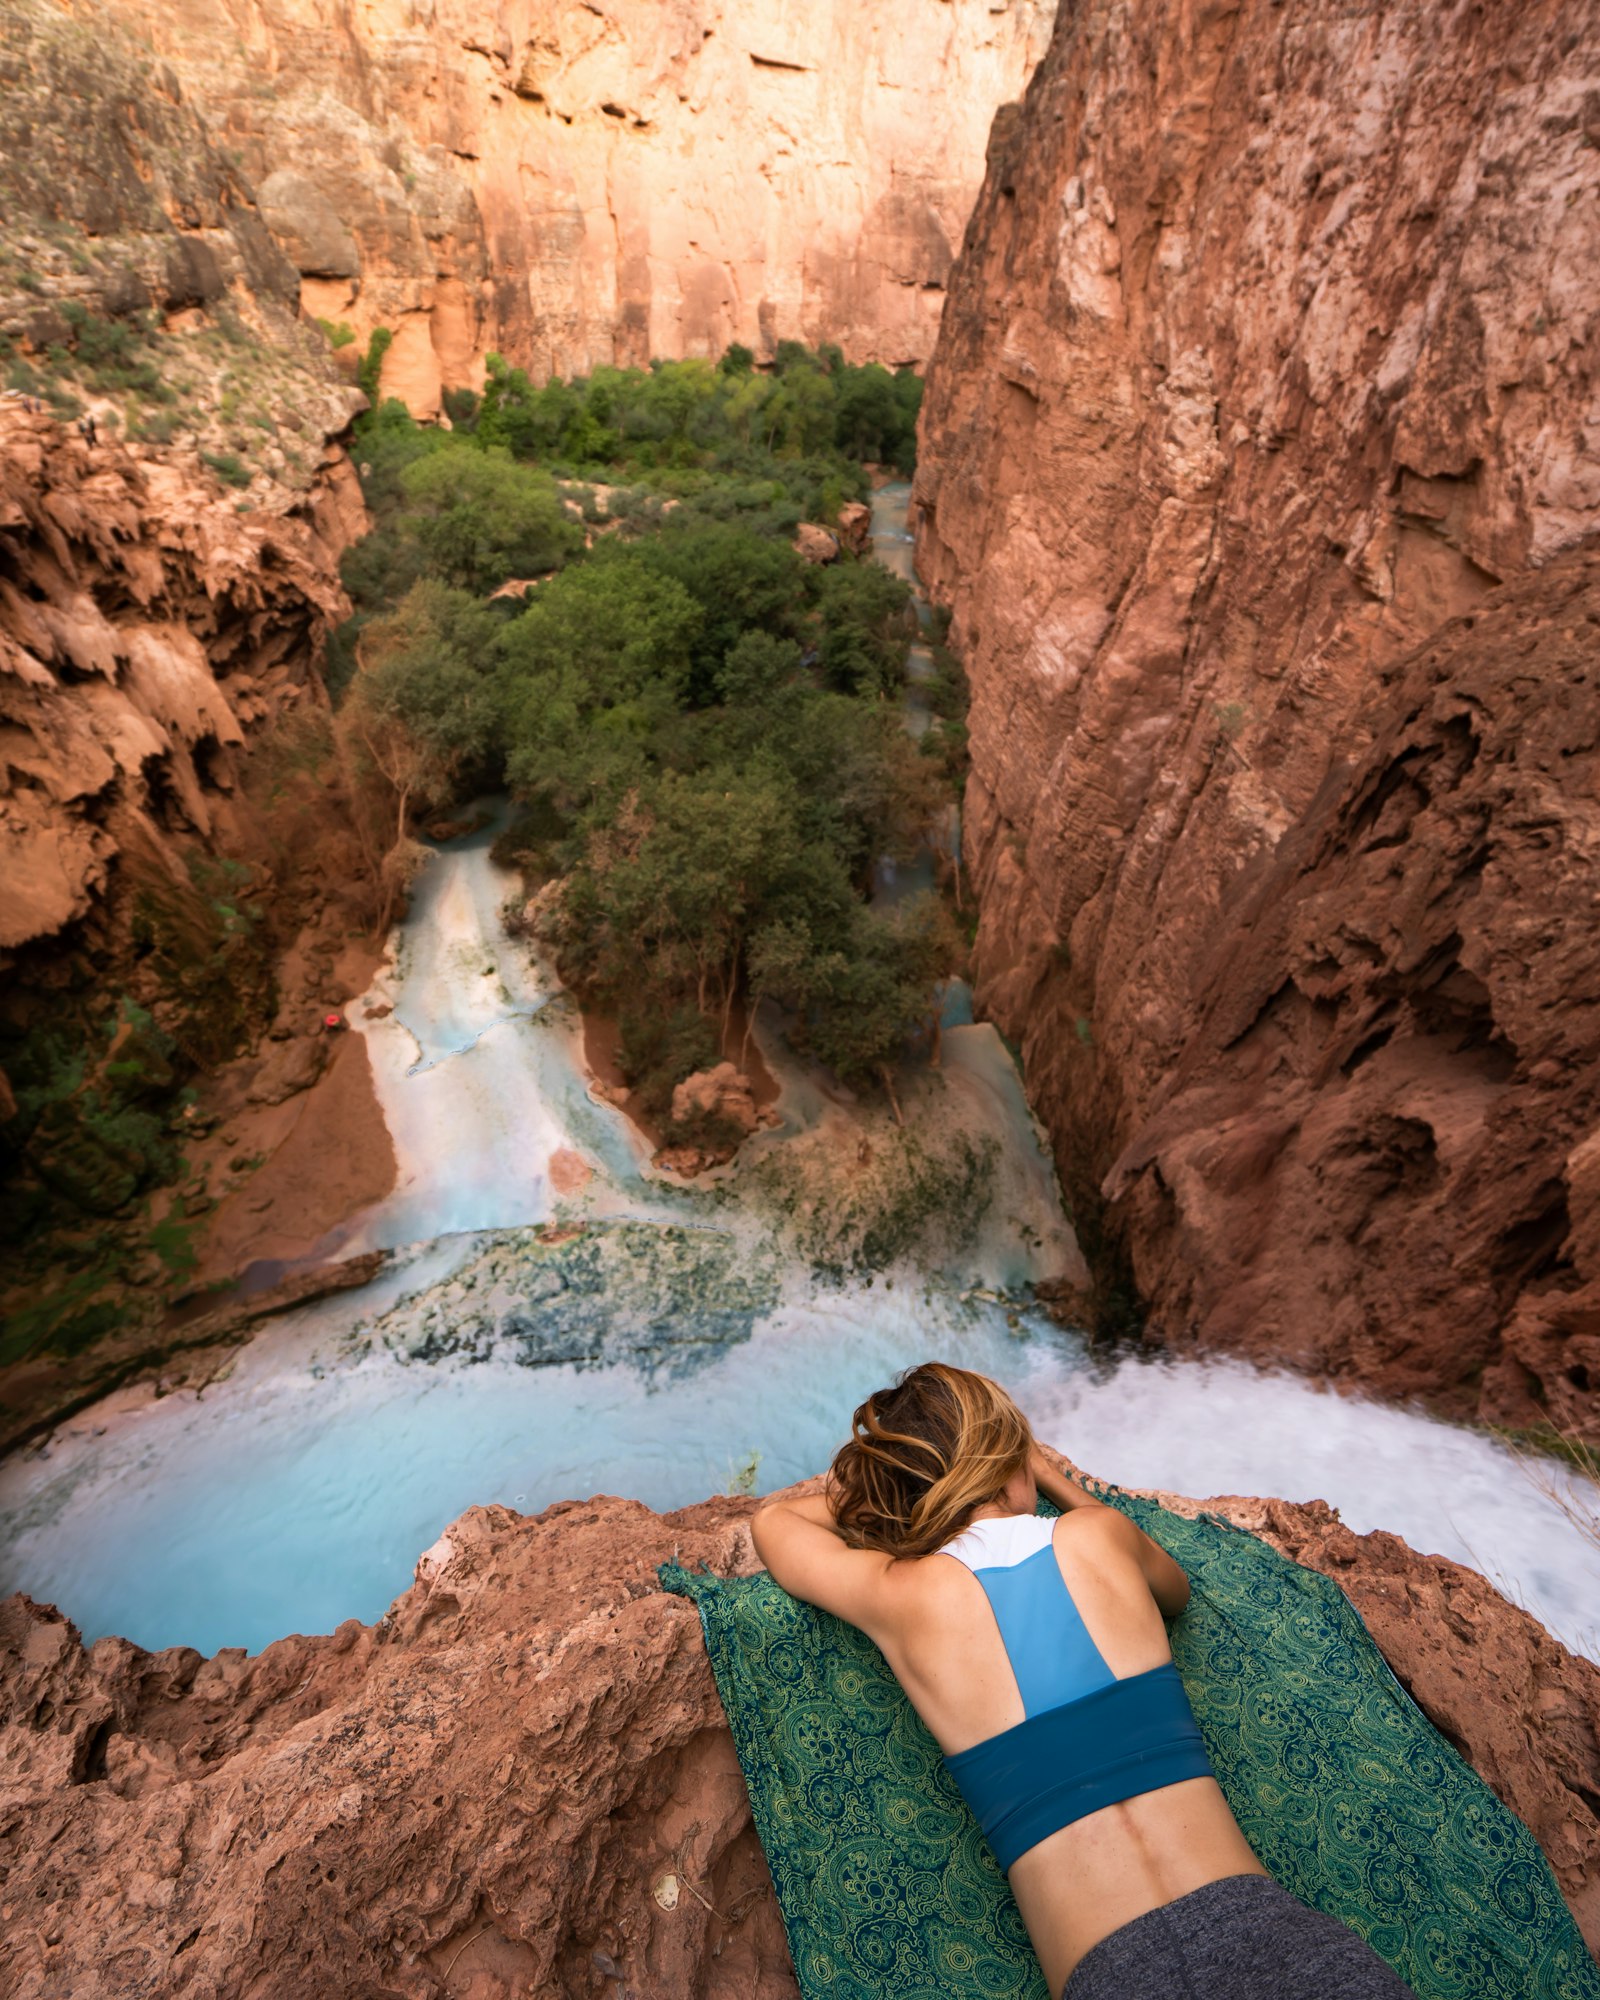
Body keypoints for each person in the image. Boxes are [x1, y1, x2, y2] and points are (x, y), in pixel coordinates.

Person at [751, 1362, 1416, 2000]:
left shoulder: (903, 1598)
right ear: (1012, 1458)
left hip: (1116, 1975)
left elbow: (773, 1524)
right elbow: (1173, 1590)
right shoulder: (1100, 1536)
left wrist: (897, 1492)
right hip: (1275, 1936)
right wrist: (1054, 1480)